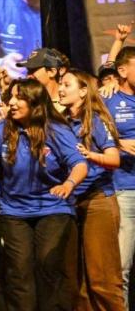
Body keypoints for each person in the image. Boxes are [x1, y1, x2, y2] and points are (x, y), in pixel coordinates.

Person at [0, 78, 89, 310]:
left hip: (53, 207)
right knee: (19, 271)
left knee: (48, 264)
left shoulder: (55, 129)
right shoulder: (3, 129)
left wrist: (68, 184)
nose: (12, 102)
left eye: (19, 98)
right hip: (14, 210)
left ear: (35, 103)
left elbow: (80, 164)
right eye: (11, 97)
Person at [57, 69, 126, 310]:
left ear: (84, 90)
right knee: (78, 282)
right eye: (60, 84)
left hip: (97, 201)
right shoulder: (59, 121)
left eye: (67, 84)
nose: (61, 88)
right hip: (69, 204)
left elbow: (114, 158)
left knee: (102, 280)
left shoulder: (95, 119)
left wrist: (89, 155)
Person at [104, 45, 135, 301]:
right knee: (121, 267)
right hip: (125, 190)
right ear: (122, 71)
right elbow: (89, 139)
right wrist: (117, 143)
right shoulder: (108, 101)